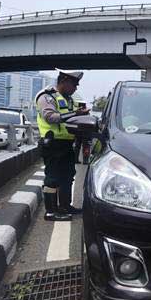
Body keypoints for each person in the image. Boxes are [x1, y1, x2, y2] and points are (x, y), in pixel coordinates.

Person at [36, 68, 90, 221]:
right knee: (52, 178)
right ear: (64, 81)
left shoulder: (68, 99)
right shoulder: (47, 97)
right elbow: (50, 117)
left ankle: (65, 206)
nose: (76, 88)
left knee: (68, 175)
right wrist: (76, 114)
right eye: (74, 84)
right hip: (52, 144)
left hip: (67, 144)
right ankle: (51, 212)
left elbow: (71, 120)